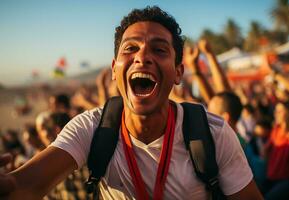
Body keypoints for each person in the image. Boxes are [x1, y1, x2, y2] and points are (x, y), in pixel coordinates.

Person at [0, 6, 263, 199]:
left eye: (159, 50)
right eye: (130, 48)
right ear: (115, 69)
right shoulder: (91, 128)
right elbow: (26, 186)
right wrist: (8, 185)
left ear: (179, 72)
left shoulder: (213, 133)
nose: (142, 57)